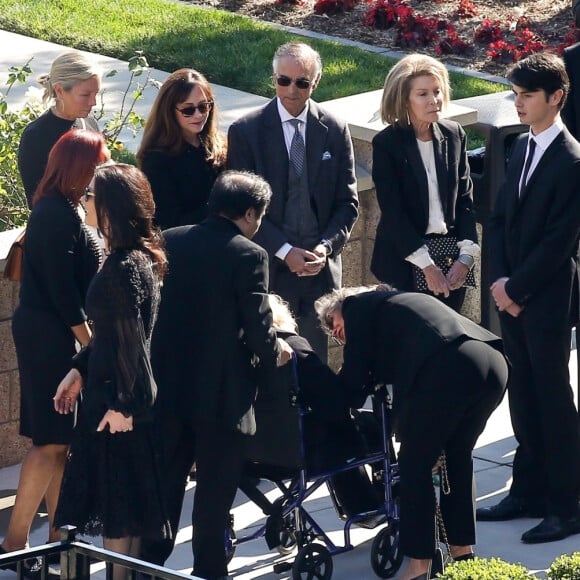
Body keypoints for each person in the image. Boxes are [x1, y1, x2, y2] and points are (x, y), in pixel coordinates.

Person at [140, 170, 292, 580]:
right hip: (223, 397)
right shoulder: (249, 255)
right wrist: (279, 352)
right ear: (249, 213)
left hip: (168, 391)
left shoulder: (169, 239)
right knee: (213, 497)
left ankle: (146, 568)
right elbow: (260, 327)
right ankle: (210, 572)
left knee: (166, 489)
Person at [316, 285, 508, 580]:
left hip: (448, 368)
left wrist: (325, 401)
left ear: (339, 309)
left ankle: (420, 564)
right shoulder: (393, 308)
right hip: (490, 362)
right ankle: (463, 554)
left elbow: (354, 382)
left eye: (334, 327)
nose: (336, 335)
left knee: (414, 464)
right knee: (456, 458)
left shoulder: (356, 308)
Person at [480, 52, 580, 544]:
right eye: (514, 94)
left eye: (527, 96)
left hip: (545, 297)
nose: (517, 104)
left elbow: (560, 241)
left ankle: (566, 505)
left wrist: (516, 288)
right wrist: (499, 283)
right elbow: (498, 221)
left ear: (556, 98)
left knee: (552, 399)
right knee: (521, 394)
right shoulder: (520, 147)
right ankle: (528, 490)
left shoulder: (573, 159)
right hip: (510, 294)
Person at [52, 163, 170, 580]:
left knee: (119, 510)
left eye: (90, 195)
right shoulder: (138, 258)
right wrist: (78, 370)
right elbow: (111, 337)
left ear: (108, 209)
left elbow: (132, 346)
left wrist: (124, 406)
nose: (84, 201)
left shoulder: (122, 269)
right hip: (117, 399)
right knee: (128, 508)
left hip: (117, 407)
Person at [0, 130, 108, 572]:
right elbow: (65, 296)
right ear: (78, 167)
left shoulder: (64, 209)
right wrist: (92, 346)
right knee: (49, 440)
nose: (101, 172)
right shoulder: (54, 215)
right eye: (97, 164)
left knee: (62, 442)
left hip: (52, 332)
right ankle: (16, 543)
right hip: (50, 337)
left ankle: (59, 535)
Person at [227, 41, 359, 362]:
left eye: (301, 82)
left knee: (315, 362)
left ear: (315, 83)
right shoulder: (247, 131)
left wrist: (324, 248)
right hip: (269, 269)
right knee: (271, 363)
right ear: (273, 79)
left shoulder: (334, 129)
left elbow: (347, 203)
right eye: (282, 80)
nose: (291, 90)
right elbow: (241, 209)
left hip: (319, 274)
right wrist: (285, 251)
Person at [370, 54, 479, 313]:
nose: (434, 100)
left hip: (450, 258)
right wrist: (427, 267)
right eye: (422, 94)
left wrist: (465, 259)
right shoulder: (388, 144)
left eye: (437, 91)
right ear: (404, 99)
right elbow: (393, 212)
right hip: (405, 262)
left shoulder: (454, 135)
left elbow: (464, 199)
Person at [137, 68, 227, 230]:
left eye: (203, 107)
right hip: (186, 245)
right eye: (188, 110)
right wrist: (222, 210)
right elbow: (168, 221)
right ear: (169, 112)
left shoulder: (219, 145)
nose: (198, 115)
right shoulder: (157, 159)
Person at [18, 51, 101, 209]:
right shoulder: (35, 136)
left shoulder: (90, 124)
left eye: (96, 93)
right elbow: (36, 201)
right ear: (60, 91)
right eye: (85, 95)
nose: (93, 102)